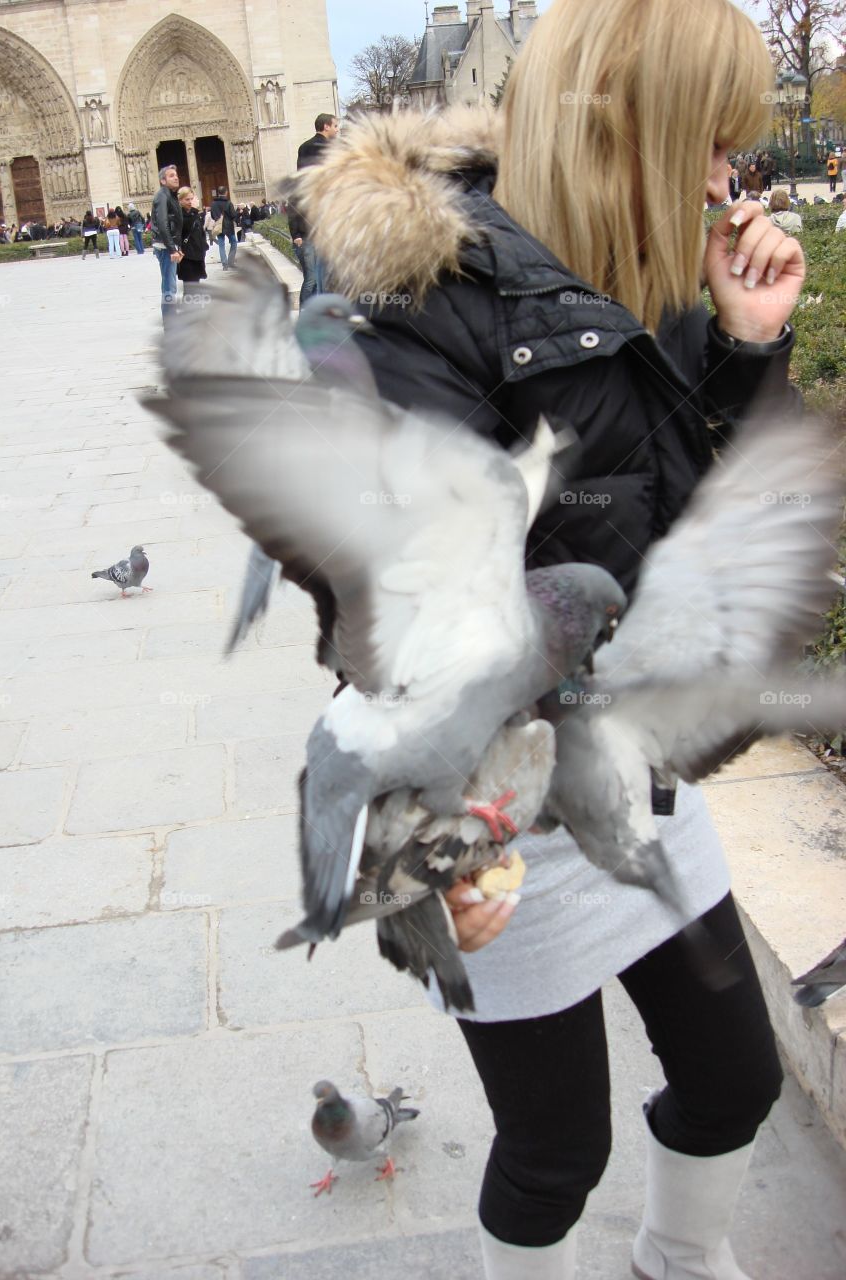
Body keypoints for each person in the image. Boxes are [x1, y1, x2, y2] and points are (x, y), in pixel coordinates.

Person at [296, 0, 805, 1276]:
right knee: (554, 1147)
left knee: (736, 1073)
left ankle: (679, 1255)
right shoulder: (401, 298)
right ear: (630, 132)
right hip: (491, 794)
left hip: (626, 765)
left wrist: (741, 359)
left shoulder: (620, 269)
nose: (721, 180)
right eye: (706, 142)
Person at [288, 112, 339, 306]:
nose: (337, 129)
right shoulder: (326, 148)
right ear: (326, 126)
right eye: (335, 125)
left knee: (319, 278)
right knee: (314, 278)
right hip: (312, 232)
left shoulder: (305, 148)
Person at [151, 164, 183, 319]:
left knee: (170, 285)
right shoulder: (162, 196)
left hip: (168, 245)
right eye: (171, 176)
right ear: (163, 181)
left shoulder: (170, 195)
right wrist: (172, 249)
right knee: (169, 288)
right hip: (164, 247)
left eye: (176, 175)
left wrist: (178, 246)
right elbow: (163, 223)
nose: (176, 177)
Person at [176, 186, 207, 287]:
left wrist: (204, 246)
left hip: (197, 254)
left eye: (191, 199)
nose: (190, 202)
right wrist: (194, 210)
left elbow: (200, 231)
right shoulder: (178, 214)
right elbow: (186, 226)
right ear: (180, 200)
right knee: (190, 287)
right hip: (187, 256)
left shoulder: (194, 213)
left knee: (196, 286)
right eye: (187, 199)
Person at [209, 185, 238, 271]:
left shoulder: (213, 203)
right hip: (228, 226)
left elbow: (212, 215)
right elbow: (233, 215)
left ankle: (225, 264)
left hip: (218, 226)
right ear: (226, 192)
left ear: (218, 193)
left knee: (221, 245)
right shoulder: (228, 203)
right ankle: (231, 261)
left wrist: (217, 219)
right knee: (234, 242)